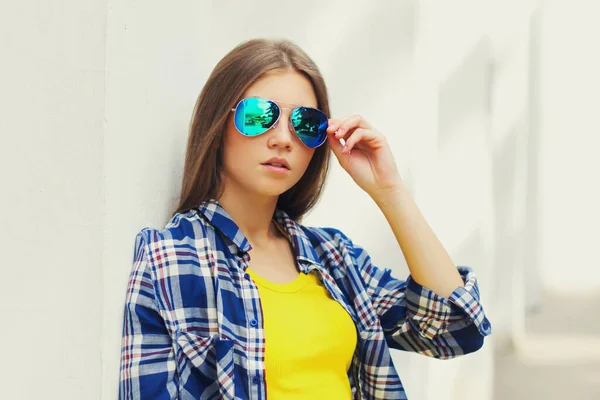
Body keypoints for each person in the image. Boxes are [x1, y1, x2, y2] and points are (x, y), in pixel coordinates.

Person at [118, 38, 492, 400]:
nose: (283, 138)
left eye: (306, 123)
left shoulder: (333, 259)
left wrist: (390, 191)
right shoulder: (173, 258)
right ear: (218, 125)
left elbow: (454, 328)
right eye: (258, 116)